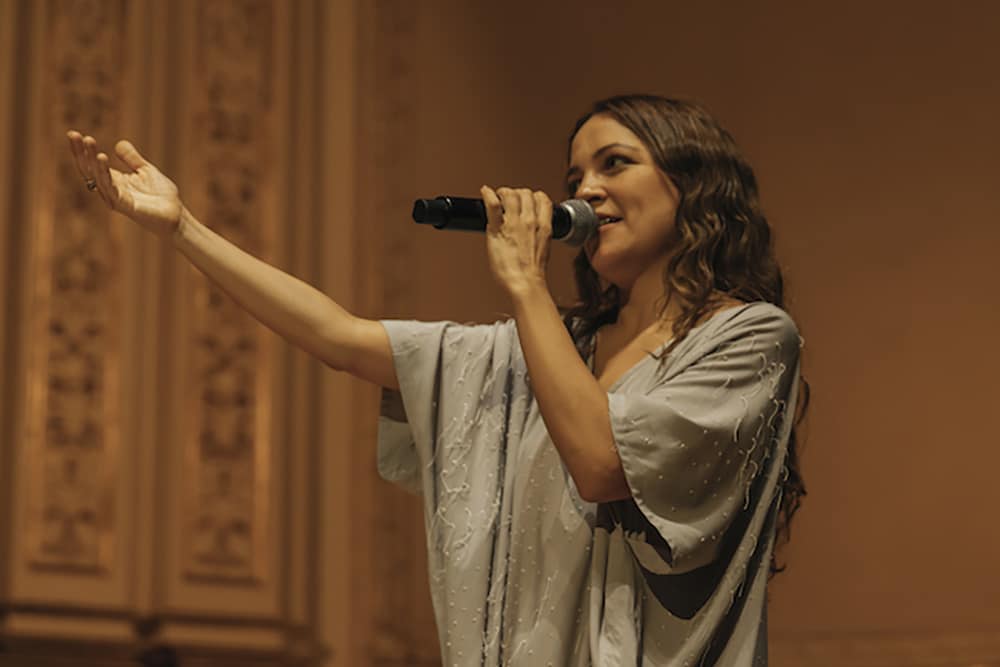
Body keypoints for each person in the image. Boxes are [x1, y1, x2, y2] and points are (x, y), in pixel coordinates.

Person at [68, 93, 809, 666]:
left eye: (615, 163)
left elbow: (603, 461)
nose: (585, 189)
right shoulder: (548, 349)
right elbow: (338, 335)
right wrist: (184, 228)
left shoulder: (748, 337)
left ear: (694, 184)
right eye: (575, 174)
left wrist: (523, 283)